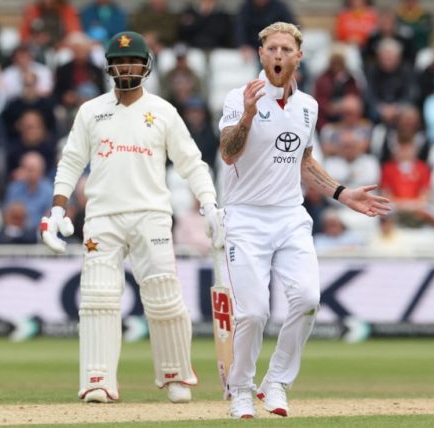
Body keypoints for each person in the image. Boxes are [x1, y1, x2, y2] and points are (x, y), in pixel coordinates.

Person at [40, 31, 225, 404]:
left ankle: (176, 376)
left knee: (163, 297)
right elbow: (71, 161)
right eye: (120, 62)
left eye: (133, 61)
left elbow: (192, 163)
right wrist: (57, 208)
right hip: (101, 216)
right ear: (109, 67)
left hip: (151, 215)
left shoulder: (163, 111)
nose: (126, 67)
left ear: (146, 66)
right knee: (98, 298)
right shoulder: (91, 111)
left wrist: (209, 204)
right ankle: (97, 380)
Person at [218, 22, 390, 419]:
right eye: (271, 49)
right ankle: (240, 389)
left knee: (309, 299)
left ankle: (276, 382)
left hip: (290, 216)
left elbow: (304, 159)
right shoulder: (239, 97)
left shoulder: (308, 106)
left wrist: (342, 193)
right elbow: (228, 153)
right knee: (254, 312)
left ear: (299, 56)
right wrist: (247, 115)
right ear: (261, 54)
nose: (278, 55)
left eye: (285, 49)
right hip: (245, 217)